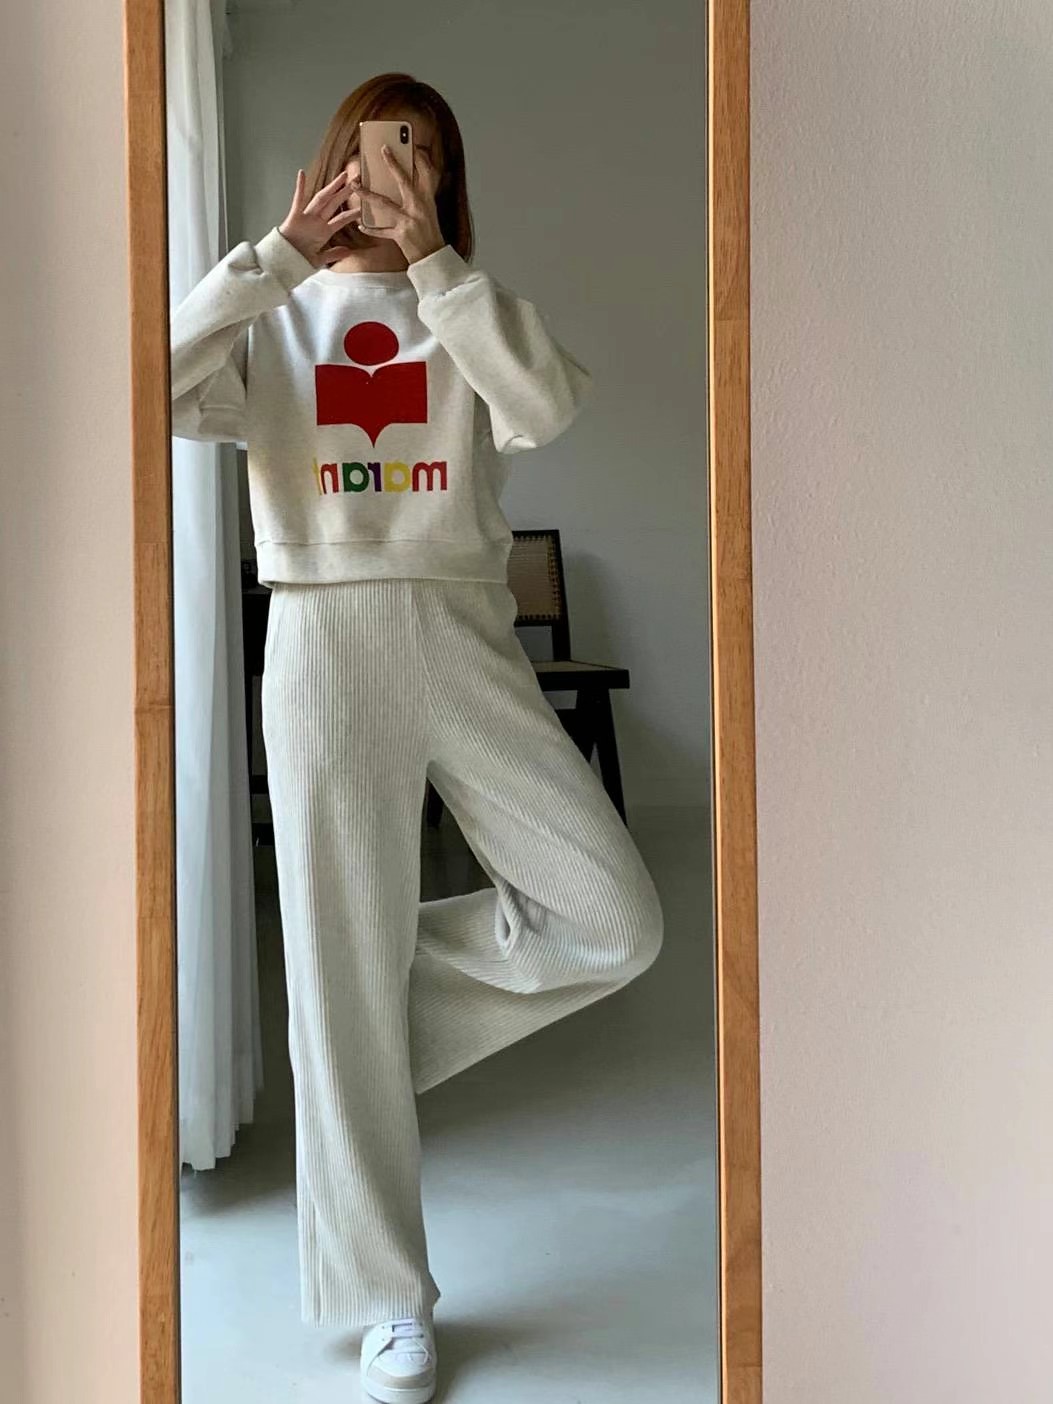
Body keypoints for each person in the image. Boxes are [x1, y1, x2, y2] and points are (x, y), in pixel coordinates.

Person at [170, 70, 664, 1404]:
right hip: (320, 636)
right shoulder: (277, 319)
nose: (396, 172)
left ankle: (356, 1027)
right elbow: (148, 383)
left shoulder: (469, 310)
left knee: (612, 917)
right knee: (335, 958)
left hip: (459, 633)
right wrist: (277, 259)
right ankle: (392, 1296)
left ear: (448, 180)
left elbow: (542, 410)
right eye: (377, 151)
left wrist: (437, 263)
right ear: (331, 167)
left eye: (423, 155)